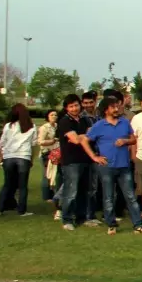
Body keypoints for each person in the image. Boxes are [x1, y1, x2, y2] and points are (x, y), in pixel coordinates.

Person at [82, 97, 142, 235]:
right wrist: (94, 157)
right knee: (108, 197)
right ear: (106, 110)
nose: (116, 109)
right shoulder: (99, 125)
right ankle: (111, 224)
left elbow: (134, 139)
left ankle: (138, 225)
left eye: (117, 106)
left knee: (130, 196)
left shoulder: (124, 122)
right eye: (113, 107)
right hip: (107, 167)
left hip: (124, 166)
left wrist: (125, 141)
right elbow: (84, 141)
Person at [55, 94, 91, 230]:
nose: (75, 108)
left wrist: (80, 137)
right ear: (66, 108)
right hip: (71, 161)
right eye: (71, 106)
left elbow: (91, 136)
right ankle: (67, 219)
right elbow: (76, 140)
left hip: (85, 159)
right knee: (71, 190)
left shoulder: (85, 120)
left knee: (83, 190)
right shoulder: (65, 121)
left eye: (76, 105)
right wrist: (82, 137)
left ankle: (82, 217)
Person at [0, 103, 36, 217]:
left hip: (9, 156)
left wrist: (1, 156)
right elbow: (33, 144)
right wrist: (31, 159)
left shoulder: (8, 126)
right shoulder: (31, 126)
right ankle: (22, 210)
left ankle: (0, 209)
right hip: (24, 156)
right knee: (22, 186)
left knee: (7, 184)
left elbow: (2, 142)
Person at [37, 109, 60, 218]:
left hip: (56, 152)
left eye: (55, 115)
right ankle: (47, 196)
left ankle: (53, 195)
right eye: (52, 115)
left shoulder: (57, 126)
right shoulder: (44, 128)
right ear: (47, 116)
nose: (54, 116)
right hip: (47, 152)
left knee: (54, 175)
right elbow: (40, 141)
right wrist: (52, 141)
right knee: (47, 174)